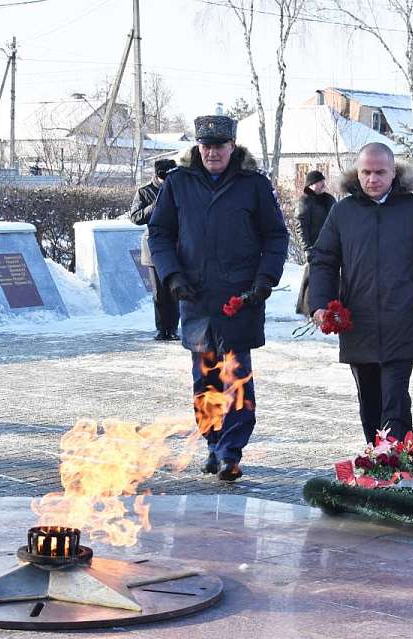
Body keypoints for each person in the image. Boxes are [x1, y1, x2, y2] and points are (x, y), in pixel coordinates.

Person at [148, 115, 289, 482]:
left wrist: (264, 280)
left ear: (232, 147)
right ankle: (212, 443)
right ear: (198, 147)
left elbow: (275, 236)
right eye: (206, 146)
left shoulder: (253, 184)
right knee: (205, 378)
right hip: (195, 294)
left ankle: (231, 451)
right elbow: (159, 233)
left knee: (237, 375)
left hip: (240, 296)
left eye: (219, 146)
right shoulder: (178, 183)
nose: (212, 152)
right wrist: (173, 276)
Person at [309, 143, 413, 443]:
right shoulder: (343, 212)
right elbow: (323, 260)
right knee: (369, 400)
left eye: (380, 172)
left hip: (404, 319)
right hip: (358, 322)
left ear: (393, 172)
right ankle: (376, 462)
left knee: (395, 399)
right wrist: (320, 303)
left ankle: (397, 463)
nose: (372, 179)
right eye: (366, 172)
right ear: (357, 173)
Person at [128, 158, 179, 341]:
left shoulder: (179, 189)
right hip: (153, 247)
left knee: (174, 289)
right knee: (159, 292)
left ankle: (172, 328)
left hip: (176, 246)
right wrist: (154, 205)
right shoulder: (144, 192)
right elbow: (135, 217)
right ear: (157, 176)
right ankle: (161, 328)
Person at [295, 170, 336, 316]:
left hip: (330, 245)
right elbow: (301, 225)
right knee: (312, 279)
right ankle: (307, 309)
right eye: (319, 182)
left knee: (330, 278)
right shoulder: (305, 201)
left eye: (323, 181)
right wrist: (307, 248)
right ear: (311, 184)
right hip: (314, 246)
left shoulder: (328, 199)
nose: (322, 184)